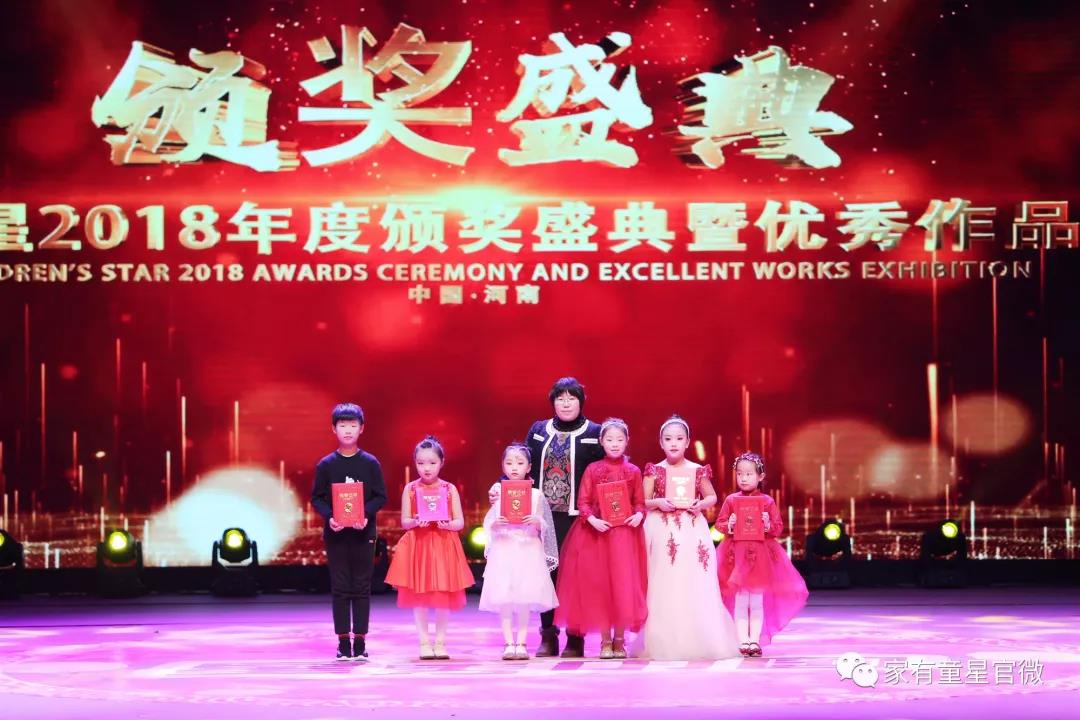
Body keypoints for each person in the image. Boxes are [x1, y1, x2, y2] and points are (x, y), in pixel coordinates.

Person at [635, 415, 739, 660]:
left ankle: (700, 639)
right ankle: (663, 641)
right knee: (664, 581)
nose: (674, 443)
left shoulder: (696, 470)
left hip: (692, 529)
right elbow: (642, 501)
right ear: (661, 442)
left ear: (687, 442)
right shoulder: (654, 470)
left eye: (679, 438)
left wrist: (700, 504)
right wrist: (658, 502)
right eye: (668, 439)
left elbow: (712, 497)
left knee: (694, 580)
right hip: (662, 530)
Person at [554, 418, 647, 659]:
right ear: (601, 441)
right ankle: (605, 641)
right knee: (601, 587)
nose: (615, 444)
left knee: (623, 586)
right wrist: (593, 520)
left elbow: (640, 502)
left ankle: (620, 640)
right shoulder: (593, 469)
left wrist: (639, 515)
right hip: (597, 535)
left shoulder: (633, 471)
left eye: (619, 439)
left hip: (624, 536)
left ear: (627, 441)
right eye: (610, 439)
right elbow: (583, 502)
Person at [524, 377, 604, 657]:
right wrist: (501, 488)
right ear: (553, 402)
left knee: (576, 578)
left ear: (581, 401)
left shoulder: (595, 432)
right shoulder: (538, 430)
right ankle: (548, 635)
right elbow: (522, 464)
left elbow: (605, 472)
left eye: (572, 398)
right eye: (560, 398)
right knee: (547, 575)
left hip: (580, 518)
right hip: (543, 518)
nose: (566, 403)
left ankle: (575, 637)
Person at [310, 402, 388, 660]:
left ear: (361, 428)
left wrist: (365, 515)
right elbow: (317, 498)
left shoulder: (370, 463)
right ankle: (343, 642)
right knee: (341, 587)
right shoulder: (326, 465)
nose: (347, 430)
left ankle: (361, 641)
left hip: (363, 532)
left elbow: (380, 496)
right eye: (342, 425)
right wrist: (330, 517)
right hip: (336, 533)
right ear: (333, 429)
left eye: (352, 425)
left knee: (362, 587)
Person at [385, 435, 474, 660]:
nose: (426, 468)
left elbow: (459, 522)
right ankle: (424, 642)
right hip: (419, 546)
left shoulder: (449, 488)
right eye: (421, 463)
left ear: (441, 462)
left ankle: (440, 642)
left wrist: (447, 524)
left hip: (443, 545)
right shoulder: (410, 488)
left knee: (443, 596)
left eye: (432, 462)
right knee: (420, 597)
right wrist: (416, 521)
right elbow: (405, 522)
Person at [717, 452, 809, 657]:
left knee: (756, 600)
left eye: (749, 474)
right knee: (741, 599)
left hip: (760, 555)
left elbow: (777, 528)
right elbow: (720, 524)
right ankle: (743, 641)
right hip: (737, 554)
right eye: (739, 473)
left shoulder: (767, 501)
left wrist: (767, 524)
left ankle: (754, 640)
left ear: (760, 476)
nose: (743, 478)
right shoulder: (731, 500)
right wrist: (729, 524)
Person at [479, 443, 560, 660]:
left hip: (528, 548)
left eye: (520, 463)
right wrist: (495, 524)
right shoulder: (498, 492)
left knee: (525, 597)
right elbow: (489, 523)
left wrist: (536, 521)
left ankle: (522, 643)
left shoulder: (536, 494)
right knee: (504, 597)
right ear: (502, 466)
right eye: (509, 463)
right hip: (505, 547)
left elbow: (544, 525)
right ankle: (508, 643)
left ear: (529, 467)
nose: (514, 467)